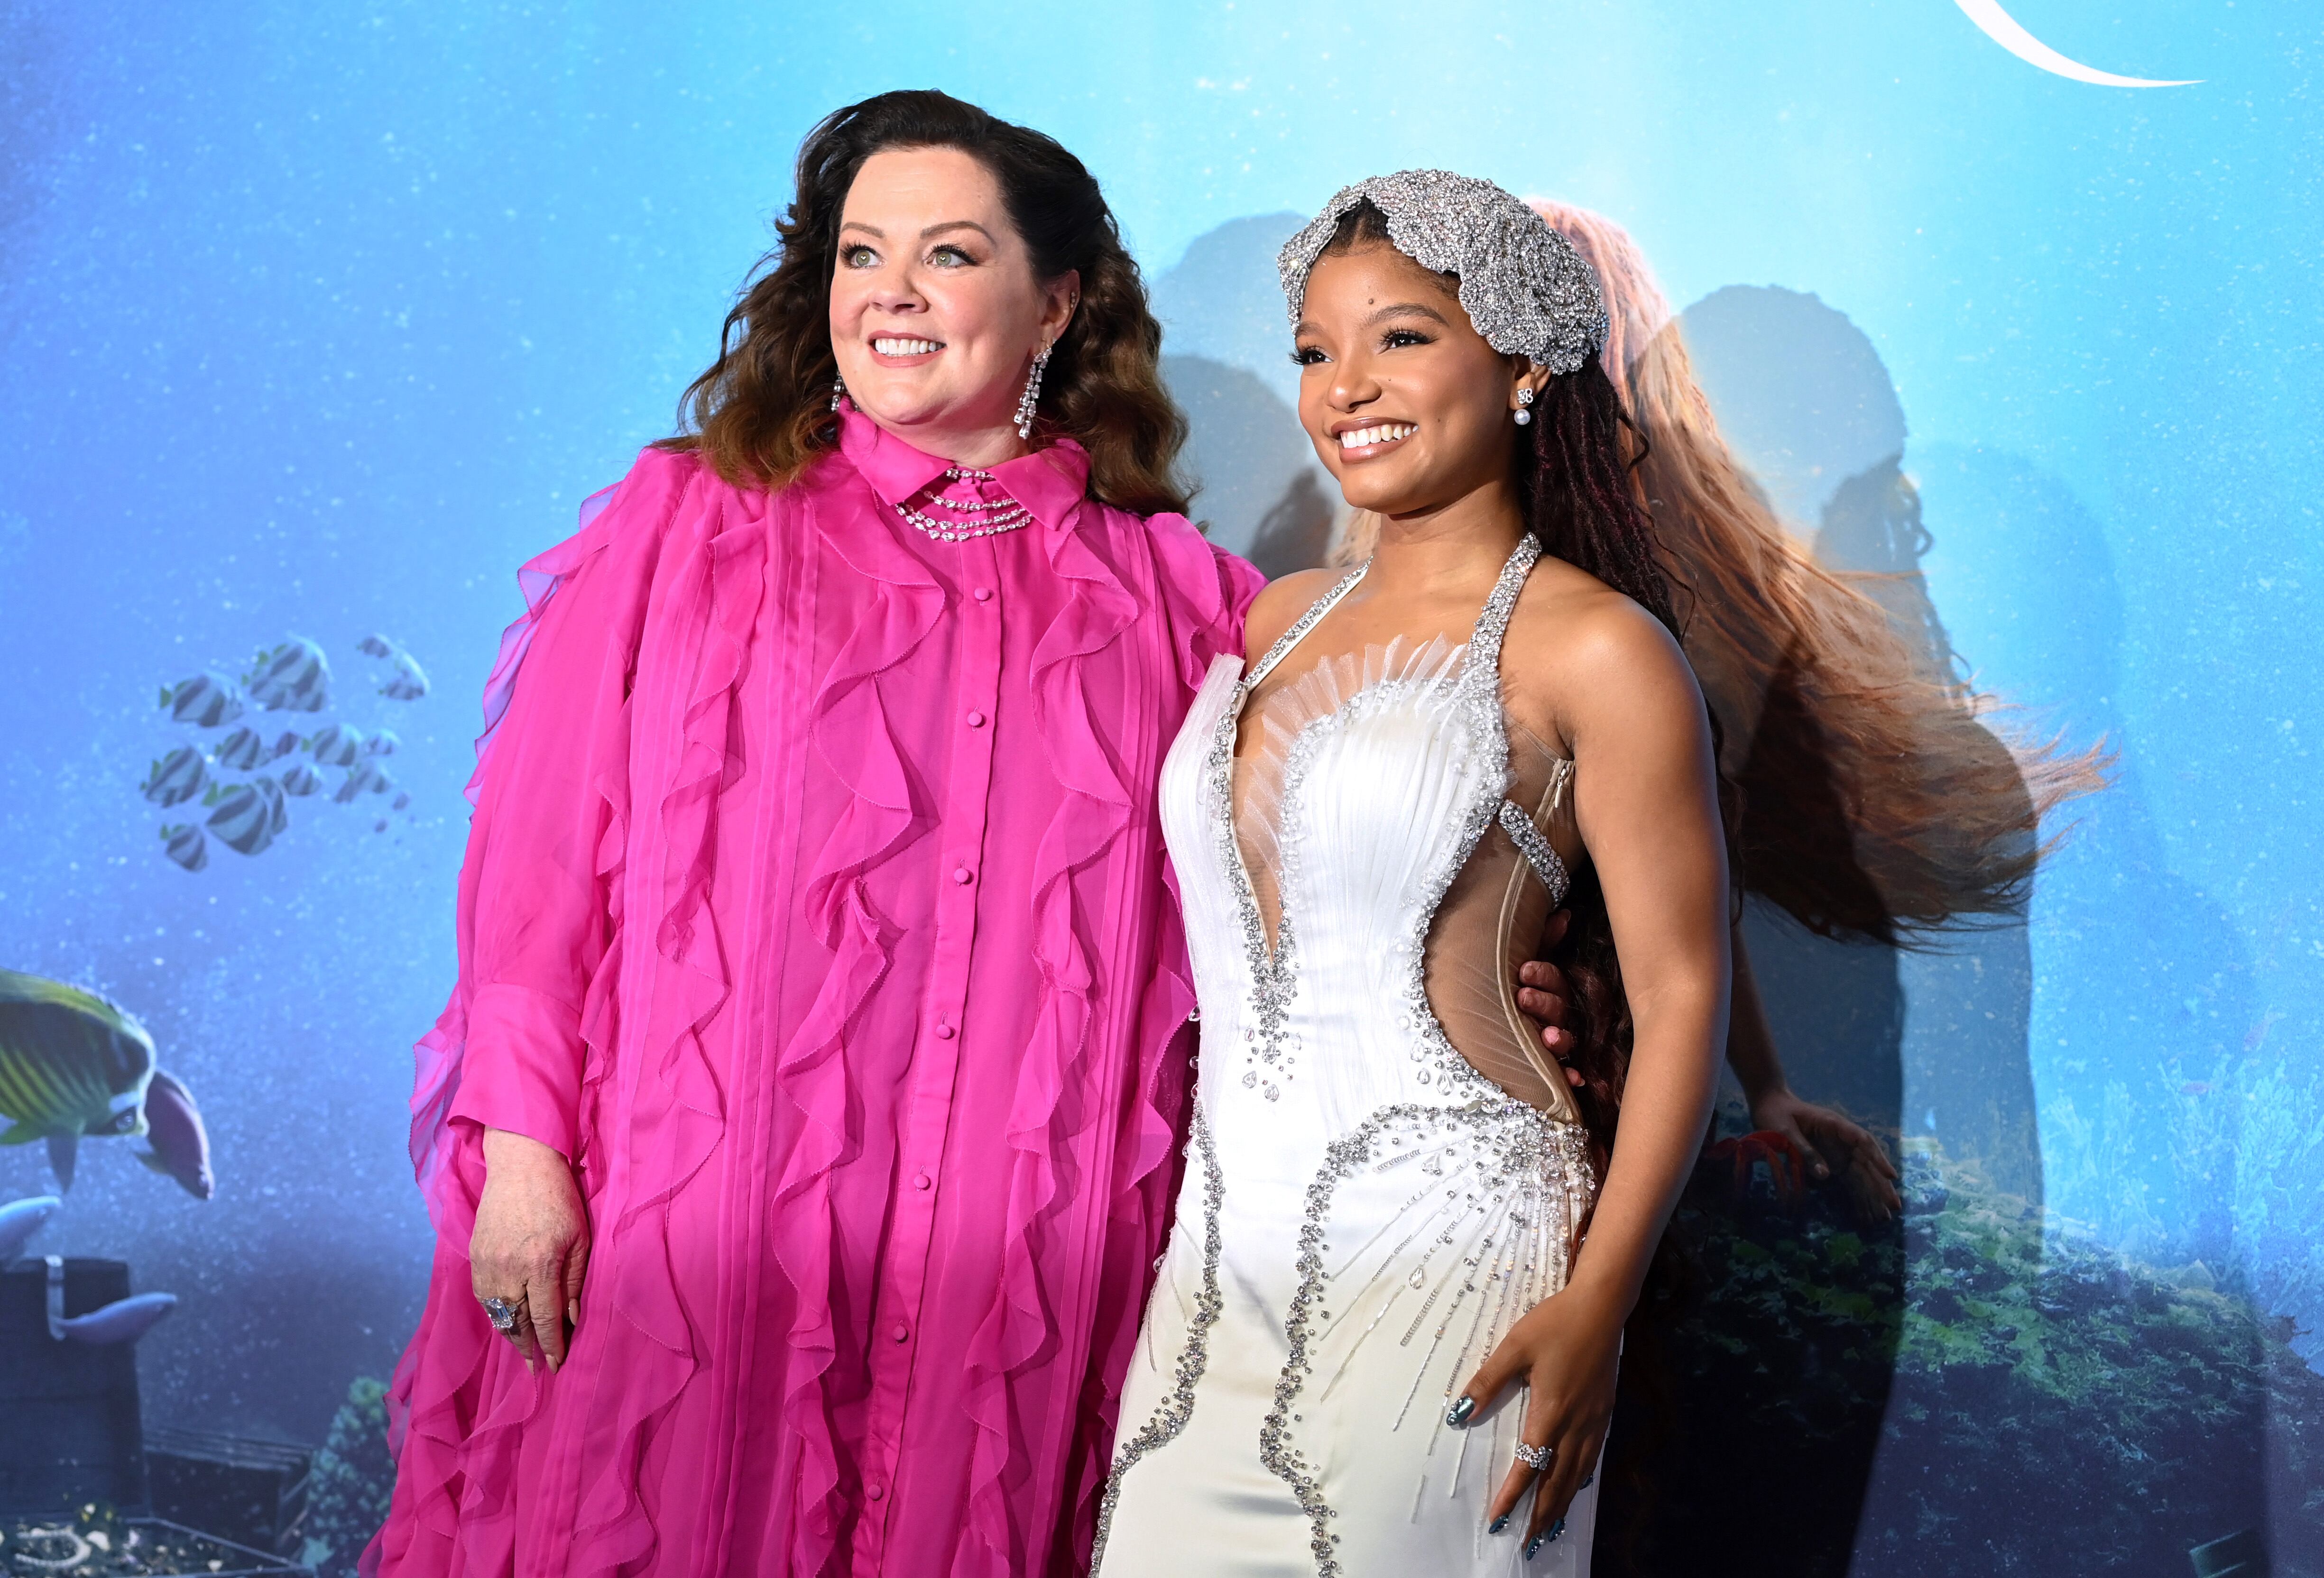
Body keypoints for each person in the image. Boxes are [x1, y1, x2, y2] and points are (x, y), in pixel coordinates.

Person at [368, 91, 1266, 1578]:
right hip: (694, 1211)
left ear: (1056, 303)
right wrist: (523, 1154)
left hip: (1016, 1260)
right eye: (861, 255)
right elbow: (530, 874)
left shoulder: (1186, 604)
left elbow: (1293, 897)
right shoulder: (683, 525)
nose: (892, 293)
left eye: (948, 252)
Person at [1095, 173, 1732, 1574]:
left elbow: (1684, 993)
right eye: (1314, 351)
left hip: (1453, 1258)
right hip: (1213, 1265)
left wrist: (1600, 1299)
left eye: (1397, 338)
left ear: (1514, 362)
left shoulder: (1597, 649)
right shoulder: (1269, 617)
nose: (1343, 388)